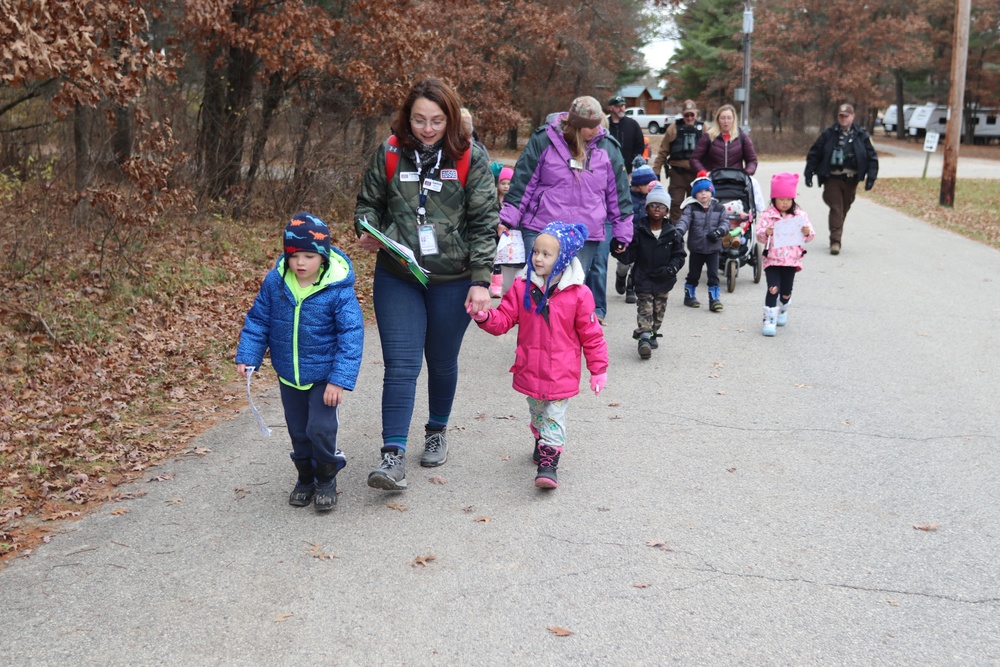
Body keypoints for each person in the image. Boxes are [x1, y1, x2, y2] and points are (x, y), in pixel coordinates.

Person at [353, 78, 498, 491]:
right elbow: (368, 203)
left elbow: (486, 223)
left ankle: (436, 429)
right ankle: (392, 456)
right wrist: (366, 227)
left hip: (452, 280)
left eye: (436, 120)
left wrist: (480, 281)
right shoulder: (391, 150)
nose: (428, 128)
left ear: (450, 118)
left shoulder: (470, 155)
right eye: (419, 119)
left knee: (441, 360)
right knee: (401, 364)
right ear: (407, 117)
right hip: (399, 274)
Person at [235, 213, 365, 512]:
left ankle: (326, 476)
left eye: (309, 256)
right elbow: (259, 320)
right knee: (298, 431)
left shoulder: (338, 290)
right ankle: (305, 478)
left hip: (324, 376)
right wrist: (249, 355)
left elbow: (352, 335)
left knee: (320, 428)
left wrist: (338, 379)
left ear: (323, 256)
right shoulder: (276, 282)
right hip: (288, 373)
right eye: (294, 256)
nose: (301, 263)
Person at [470, 222, 608, 489]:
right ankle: (540, 435)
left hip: (562, 372)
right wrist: (485, 316)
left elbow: (592, 335)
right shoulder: (523, 287)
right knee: (537, 413)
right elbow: (505, 318)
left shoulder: (579, 294)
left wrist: (598, 369)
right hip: (530, 368)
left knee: (554, 416)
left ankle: (549, 462)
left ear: (563, 258)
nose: (538, 258)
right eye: (536, 252)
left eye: (547, 254)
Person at [499, 95, 633, 324]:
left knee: (569, 293)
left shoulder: (608, 147)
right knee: (538, 288)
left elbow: (619, 194)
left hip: (584, 233)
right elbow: (523, 181)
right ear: (575, 125)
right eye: (589, 126)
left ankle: (562, 349)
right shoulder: (544, 140)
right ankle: (534, 345)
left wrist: (622, 232)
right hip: (542, 227)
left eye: (597, 124)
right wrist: (509, 217)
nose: (595, 130)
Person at [618, 185, 686, 359]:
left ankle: (652, 333)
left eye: (661, 206)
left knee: (658, 311)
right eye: (653, 205)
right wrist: (619, 250)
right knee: (645, 309)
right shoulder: (638, 231)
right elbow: (629, 256)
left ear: (667, 211)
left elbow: (680, 256)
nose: (657, 209)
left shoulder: (673, 233)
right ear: (646, 208)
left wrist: (671, 269)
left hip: (664, 280)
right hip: (643, 278)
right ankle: (644, 338)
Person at [804, 103, 878, 255]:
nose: (843, 119)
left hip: (852, 180)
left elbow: (872, 158)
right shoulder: (829, 134)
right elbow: (814, 153)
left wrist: (871, 177)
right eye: (840, 116)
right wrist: (809, 172)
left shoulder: (861, 135)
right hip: (832, 178)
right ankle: (835, 241)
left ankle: (836, 232)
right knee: (836, 208)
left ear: (853, 116)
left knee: (844, 208)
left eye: (846, 116)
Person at [756, 173, 815, 336]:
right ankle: (769, 320)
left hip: (791, 260)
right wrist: (766, 232)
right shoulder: (767, 215)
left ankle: (782, 309)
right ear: (774, 199)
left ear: (792, 200)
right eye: (780, 199)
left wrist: (806, 232)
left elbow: (810, 235)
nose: (784, 203)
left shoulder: (800, 215)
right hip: (772, 260)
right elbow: (759, 235)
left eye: (787, 200)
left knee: (786, 291)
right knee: (773, 288)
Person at [676, 172, 730, 312]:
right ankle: (689, 296)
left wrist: (719, 232)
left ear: (711, 191)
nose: (703, 194)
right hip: (697, 248)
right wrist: (679, 231)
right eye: (699, 192)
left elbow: (725, 223)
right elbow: (684, 220)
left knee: (713, 275)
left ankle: (714, 299)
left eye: (706, 190)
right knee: (694, 274)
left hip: (713, 248)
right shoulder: (691, 208)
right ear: (695, 194)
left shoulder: (720, 208)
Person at [652, 99, 705, 222]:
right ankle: (675, 236)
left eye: (692, 114)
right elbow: (663, 151)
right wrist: (656, 171)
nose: (690, 118)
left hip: (697, 175)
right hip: (677, 174)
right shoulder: (673, 128)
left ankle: (697, 237)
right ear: (682, 114)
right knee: (676, 205)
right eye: (687, 115)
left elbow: (713, 150)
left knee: (699, 206)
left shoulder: (704, 129)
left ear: (696, 114)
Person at [614, 163, 658, 304]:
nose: (652, 188)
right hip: (626, 235)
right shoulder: (625, 196)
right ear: (640, 185)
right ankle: (620, 276)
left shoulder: (650, 197)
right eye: (649, 185)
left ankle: (631, 288)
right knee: (624, 264)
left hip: (642, 236)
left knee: (637, 264)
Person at [690, 104, 758, 176]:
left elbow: (752, 160)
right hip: (714, 181)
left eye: (729, 118)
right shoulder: (708, 136)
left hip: (736, 181)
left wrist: (746, 173)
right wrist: (705, 173)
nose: (726, 121)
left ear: (734, 119)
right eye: (723, 118)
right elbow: (694, 159)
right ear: (718, 119)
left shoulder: (742, 137)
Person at [490, 166, 524, 298]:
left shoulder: (515, 200)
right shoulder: (495, 200)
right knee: (497, 261)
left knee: (510, 261)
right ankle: (496, 287)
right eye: (503, 183)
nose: (506, 187)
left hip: (511, 234)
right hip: (498, 234)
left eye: (509, 184)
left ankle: (513, 288)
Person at [606, 95, 646, 176]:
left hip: (626, 171)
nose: (621, 108)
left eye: (623, 105)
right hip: (606, 171)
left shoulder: (632, 124)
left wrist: (631, 161)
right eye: (618, 106)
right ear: (610, 108)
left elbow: (640, 145)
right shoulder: (604, 125)